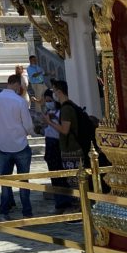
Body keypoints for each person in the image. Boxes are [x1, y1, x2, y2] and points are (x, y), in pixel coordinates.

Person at [0, 73, 35, 218]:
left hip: (3, 145)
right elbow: (27, 124)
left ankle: (5, 208)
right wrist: (30, 132)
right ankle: (26, 210)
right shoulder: (19, 101)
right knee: (23, 180)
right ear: (15, 83)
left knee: (5, 180)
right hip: (20, 143)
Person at [43, 79, 82, 211]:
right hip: (67, 148)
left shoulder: (66, 108)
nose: (53, 94)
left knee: (74, 182)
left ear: (58, 92)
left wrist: (50, 122)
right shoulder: (67, 107)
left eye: (54, 91)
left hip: (71, 149)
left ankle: (78, 211)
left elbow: (64, 130)